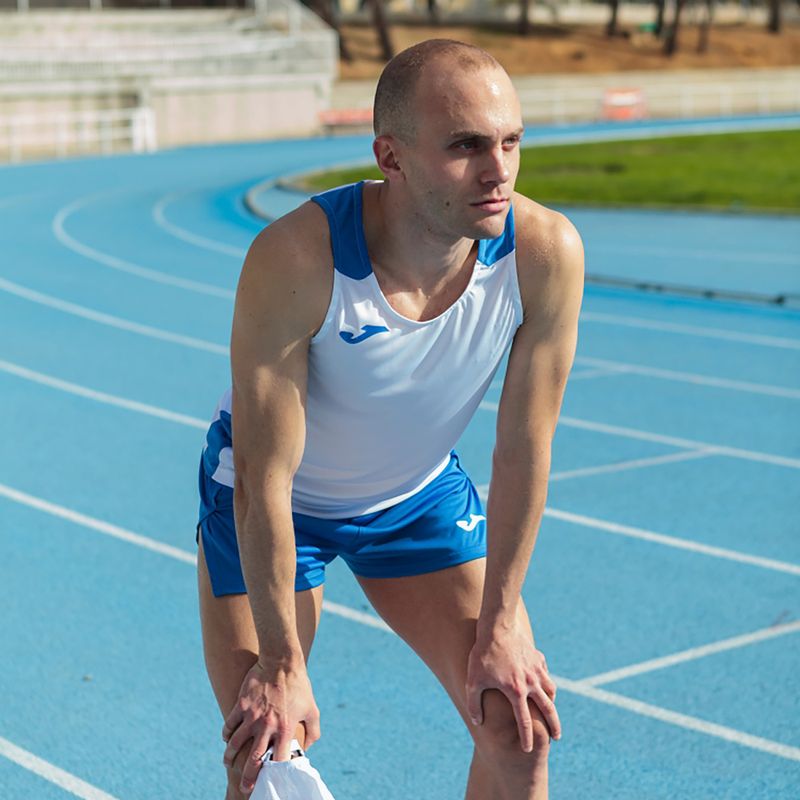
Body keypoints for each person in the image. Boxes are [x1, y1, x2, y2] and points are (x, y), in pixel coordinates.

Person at [196, 38, 584, 800]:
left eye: (510, 142)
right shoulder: (298, 259)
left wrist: (502, 624)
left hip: (415, 496)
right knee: (267, 749)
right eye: (466, 145)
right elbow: (262, 481)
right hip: (280, 507)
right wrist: (280, 663)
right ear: (392, 156)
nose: (497, 169)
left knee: (517, 728)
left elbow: (522, 451)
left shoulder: (544, 253)